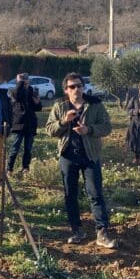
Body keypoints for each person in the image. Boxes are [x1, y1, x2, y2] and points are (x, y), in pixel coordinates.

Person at [46, 72, 116, 249]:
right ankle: (76, 230)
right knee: (70, 195)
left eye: (79, 85)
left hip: (90, 155)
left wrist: (89, 130)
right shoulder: (59, 106)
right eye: (72, 86)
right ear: (66, 89)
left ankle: (102, 232)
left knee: (95, 193)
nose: (76, 89)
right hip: (68, 156)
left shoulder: (95, 105)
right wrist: (64, 121)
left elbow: (107, 127)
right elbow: (49, 129)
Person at [7, 73, 42, 176]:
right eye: (22, 80)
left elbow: (38, 108)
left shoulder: (31, 91)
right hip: (19, 124)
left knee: (28, 148)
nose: (24, 82)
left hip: (30, 124)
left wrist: (37, 102)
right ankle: (9, 169)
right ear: (18, 81)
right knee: (15, 148)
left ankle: (25, 168)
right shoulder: (13, 91)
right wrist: (21, 83)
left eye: (25, 80)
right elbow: (17, 97)